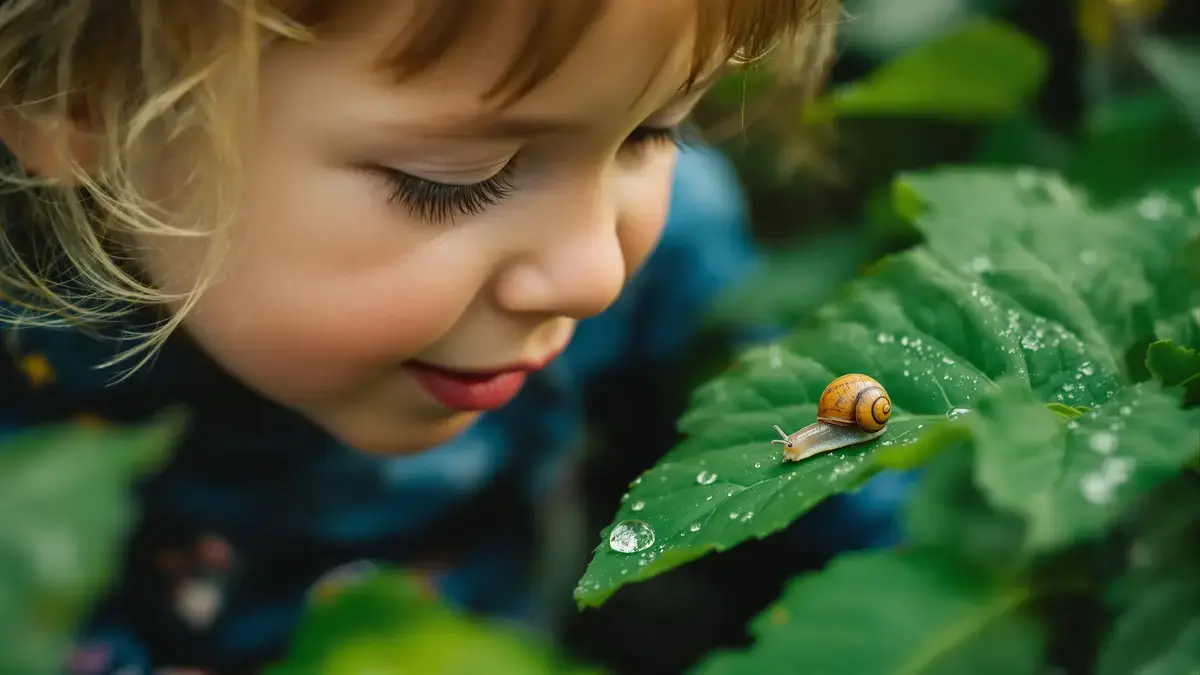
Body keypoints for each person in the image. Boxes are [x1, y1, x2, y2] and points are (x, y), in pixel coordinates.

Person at [0, 1, 907, 673]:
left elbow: (842, 504)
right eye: (457, 177)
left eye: (652, 131)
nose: (592, 272)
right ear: (78, 104)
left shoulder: (676, 255)